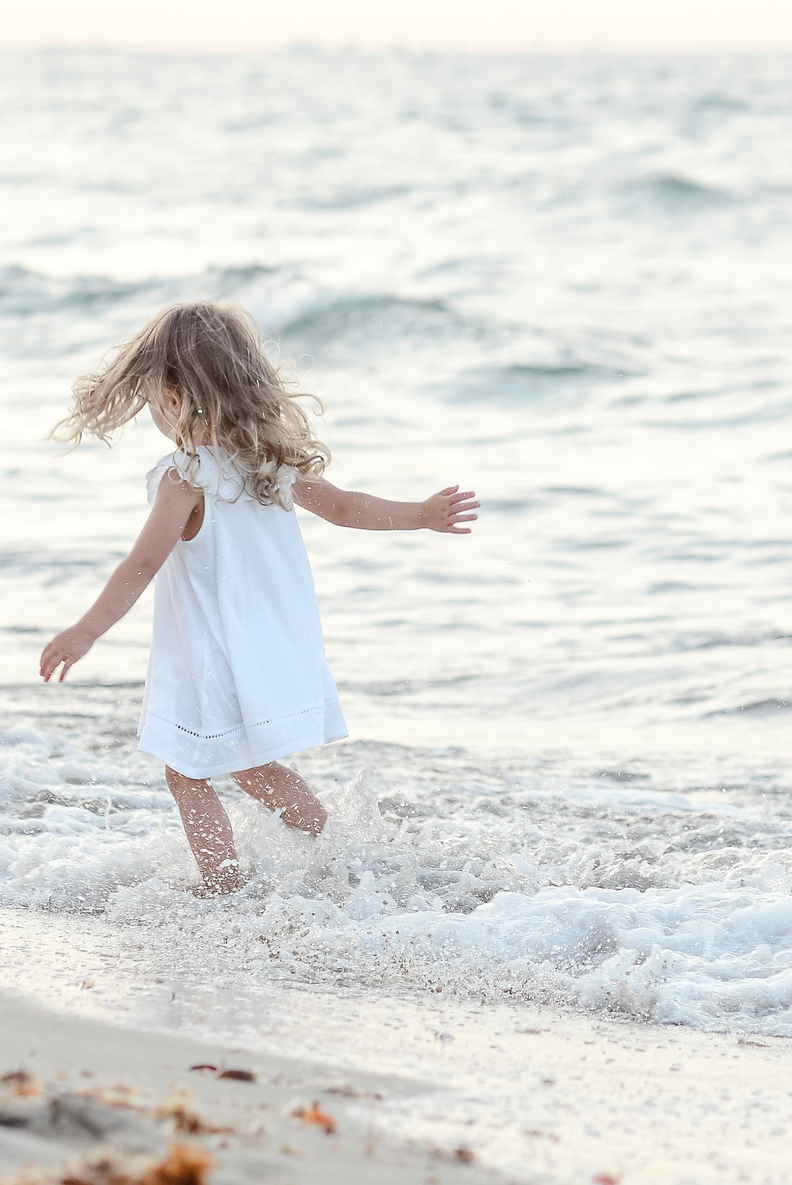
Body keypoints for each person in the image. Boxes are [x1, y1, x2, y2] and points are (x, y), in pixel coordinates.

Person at [38, 301, 477, 894]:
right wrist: (420, 515)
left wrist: (85, 630)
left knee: (186, 770)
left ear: (172, 397)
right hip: (269, 646)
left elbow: (143, 563)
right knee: (252, 769)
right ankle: (337, 858)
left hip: (210, 655)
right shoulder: (270, 462)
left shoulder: (186, 476)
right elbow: (347, 509)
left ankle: (222, 883)